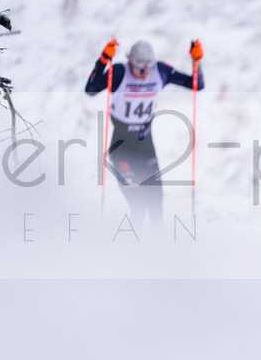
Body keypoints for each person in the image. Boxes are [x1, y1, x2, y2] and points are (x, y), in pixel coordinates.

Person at [85, 38, 205, 228]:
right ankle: (130, 250)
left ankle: (156, 252)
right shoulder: (119, 73)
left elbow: (197, 84)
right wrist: (102, 60)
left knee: (156, 207)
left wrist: (196, 62)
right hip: (122, 147)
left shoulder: (160, 71)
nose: (143, 74)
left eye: (147, 69)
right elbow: (90, 90)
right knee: (139, 207)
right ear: (129, 62)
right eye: (139, 69)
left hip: (146, 146)